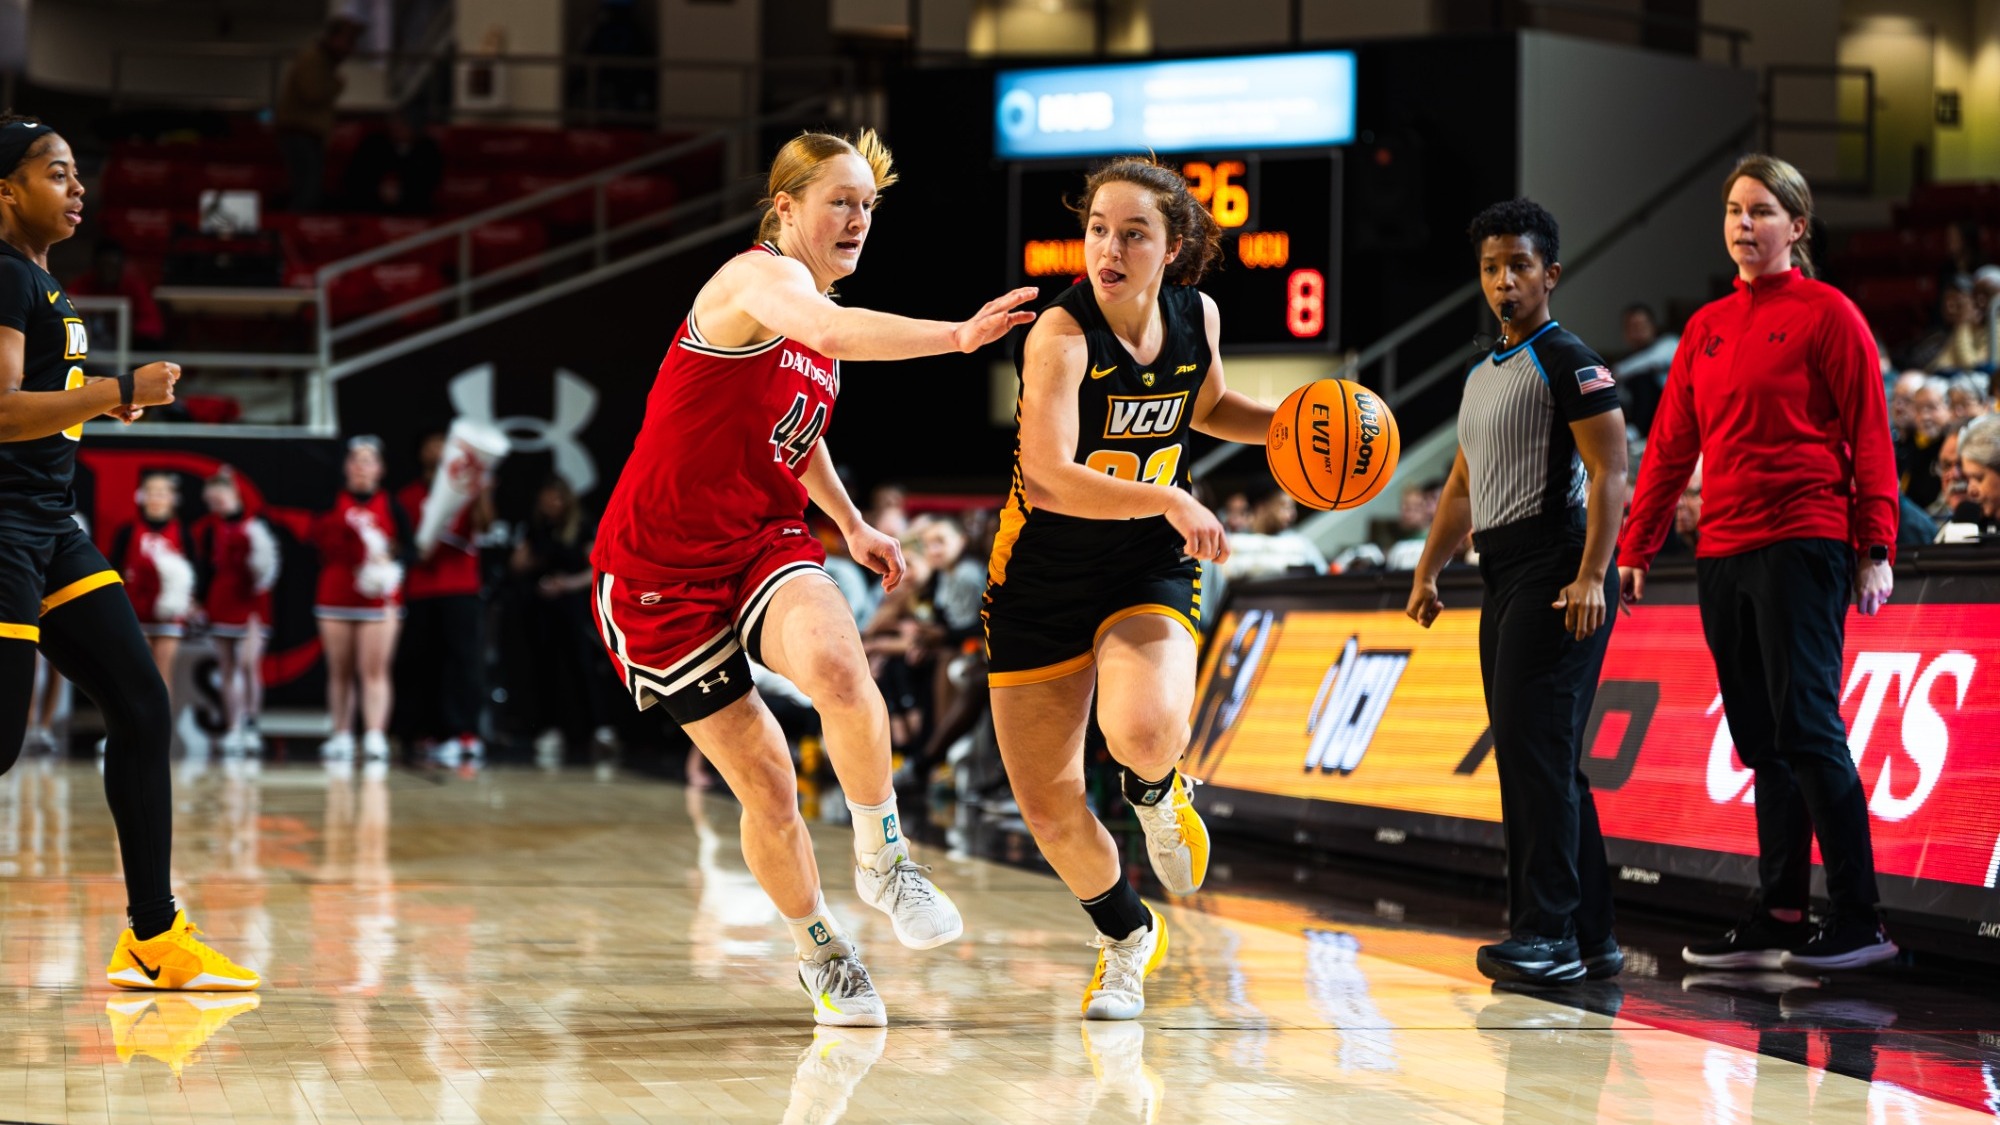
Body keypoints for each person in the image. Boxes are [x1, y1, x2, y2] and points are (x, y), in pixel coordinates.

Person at [589, 129, 1036, 1027]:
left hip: (758, 539)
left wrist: (852, 522)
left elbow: (797, 428)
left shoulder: (809, 312)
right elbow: (830, 331)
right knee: (765, 786)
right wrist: (955, 336)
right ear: (785, 206)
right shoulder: (756, 280)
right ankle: (820, 949)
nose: (859, 219)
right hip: (658, 572)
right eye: (840, 200)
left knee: (839, 663)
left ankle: (885, 856)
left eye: (869, 204)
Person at [984, 156, 1274, 1021]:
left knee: (1145, 730)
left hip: (1145, 562)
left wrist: (1297, 423)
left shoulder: (1199, 316)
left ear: (1172, 246)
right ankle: (1124, 936)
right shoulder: (1060, 337)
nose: (1108, 247)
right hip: (1038, 576)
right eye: (1098, 229)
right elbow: (1047, 475)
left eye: (1133, 232)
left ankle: (1156, 788)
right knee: (1048, 805)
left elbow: (1209, 404)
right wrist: (1174, 495)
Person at [1619, 154, 1899, 973]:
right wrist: (1639, 542)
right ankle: (1780, 909)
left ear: (1798, 228)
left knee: (1809, 727)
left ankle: (1860, 916)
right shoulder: (1706, 327)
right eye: (1736, 211)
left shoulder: (1829, 314)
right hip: (1724, 549)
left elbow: (1871, 432)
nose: (1745, 225)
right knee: (1761, 739)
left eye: (1763, 212)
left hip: (1804, 538)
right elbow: (1671, 443)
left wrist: (1874, 544)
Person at [0, 114, 257, 989]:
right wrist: (116, 389)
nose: (78, 190)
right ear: (5, 189)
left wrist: (97, 402)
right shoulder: (1, 276)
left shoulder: (39, 281)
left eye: (77, 174)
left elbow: (36, 400)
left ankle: (154, 934)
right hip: (1, 527)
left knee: (142, 704)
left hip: (50, 525)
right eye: (56, 174)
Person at [1405, 198, 1628, 985]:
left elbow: (1611, 471)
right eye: (1493, 268)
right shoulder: (1481, 375)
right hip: (1500, 571)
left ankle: (1548, 933)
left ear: (1550, 274)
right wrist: (1430, 567)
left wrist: (1592, 574)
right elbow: (1462, 487)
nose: (1505, 281)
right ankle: (1593, 935)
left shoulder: (1569, 359)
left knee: (1535, 760)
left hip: (1555, 565)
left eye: (1520, 267)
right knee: (1547, 761)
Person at [396, 431, 492, 767]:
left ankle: (465, 732)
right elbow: (401, 545)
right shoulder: (407, 496)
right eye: (431, 444)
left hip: (461, 588)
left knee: (464, 662)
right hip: (421, 589)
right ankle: (429, 732)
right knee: (423, 663)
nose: (437, 450)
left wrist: (480, 493)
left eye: (442, 444)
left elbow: (485, 525)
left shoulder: (466, 489)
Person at [312, 435, 406, 763]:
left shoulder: (392, 504)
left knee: (375, 669)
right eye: (355, 460)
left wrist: (390, 562)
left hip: (378, 598)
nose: (360, 467)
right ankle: (341, 734)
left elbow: (409, 548)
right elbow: (317, 540)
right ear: (345, 467)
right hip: (336, 594)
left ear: (380, 468)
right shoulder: (329, 501)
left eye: (368, 461)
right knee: (340, 669)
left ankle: (375, 735)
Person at [192, 467, 278, 754]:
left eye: (222, 498)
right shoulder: (209, 529)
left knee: (248, 663)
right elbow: (204, 568)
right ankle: (233, 726)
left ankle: (251, 723)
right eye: (212, 502)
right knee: (227, 667)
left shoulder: (258, 523)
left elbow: (269, 565)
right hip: (222, 599)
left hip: (252, 600)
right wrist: (200, 602)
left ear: (235, 494)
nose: (218, 506)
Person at [109, 472, 195, 688]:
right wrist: (122, 576)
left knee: (163, 674)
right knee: (137, 674)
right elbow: (110, 569)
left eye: (162, 493)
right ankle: (135, 722)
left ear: (173, 498)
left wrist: (191, 600)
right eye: (151, 492)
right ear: (141, 497)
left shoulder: (182, 532)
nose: (156, 498)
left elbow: (195, 572)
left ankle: (163, 723)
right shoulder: (127, 531)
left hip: (169, 614)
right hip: (135, 610)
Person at [275, 15, 364, 212]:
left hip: (308, 133)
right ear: (334, 37)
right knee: (306, 193)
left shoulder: (323, 60)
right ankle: (295, 234)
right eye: (348, 40)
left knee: (309, 192)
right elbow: (312, 94)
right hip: (300, 132)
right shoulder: (314, 58)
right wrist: (336, 84)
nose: (351, 47)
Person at [338, 108, 444, 214]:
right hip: (371, 206)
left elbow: (429, 182)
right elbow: (354, 177)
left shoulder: (427, 150)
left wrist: (402, 192)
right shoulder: (373, 144)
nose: (397, 127)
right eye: (394, 122)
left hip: (412, 208)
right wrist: (378, 189)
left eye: (404, 123)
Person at [65, 240, 164, 347]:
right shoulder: (82, 285)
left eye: (113, 266)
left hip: (127, 344)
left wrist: (123, 326)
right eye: (104, 265)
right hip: (91, 345)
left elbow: (151, 326)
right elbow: (66, 309)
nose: (108, 271)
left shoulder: (134, 287)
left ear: (121, 266)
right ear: (95, 266)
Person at [1613, 302, 1678, 435]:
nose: (1637, 331)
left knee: (1642, 378)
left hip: (1669, 410)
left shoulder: (1669, 343)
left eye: (1642, 325)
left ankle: (1637, 431)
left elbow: (1656, 361)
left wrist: (1619, 372)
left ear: (1653, 326)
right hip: (1633, 411)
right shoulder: (1624, 362)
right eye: (1632, 327)